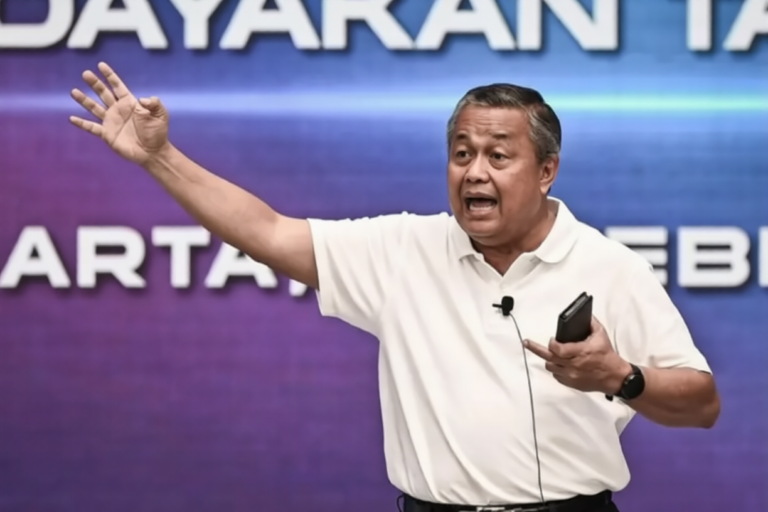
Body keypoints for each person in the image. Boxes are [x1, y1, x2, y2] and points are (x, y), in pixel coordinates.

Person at [69, 62, 720, 512]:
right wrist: (160, 157)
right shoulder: (403, 249)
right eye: (461, 154)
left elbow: (702, 402)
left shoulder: (608, 266)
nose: (474, 173)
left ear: (546, 170)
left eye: (498, 156)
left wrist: (620, 377)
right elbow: (267, 231)